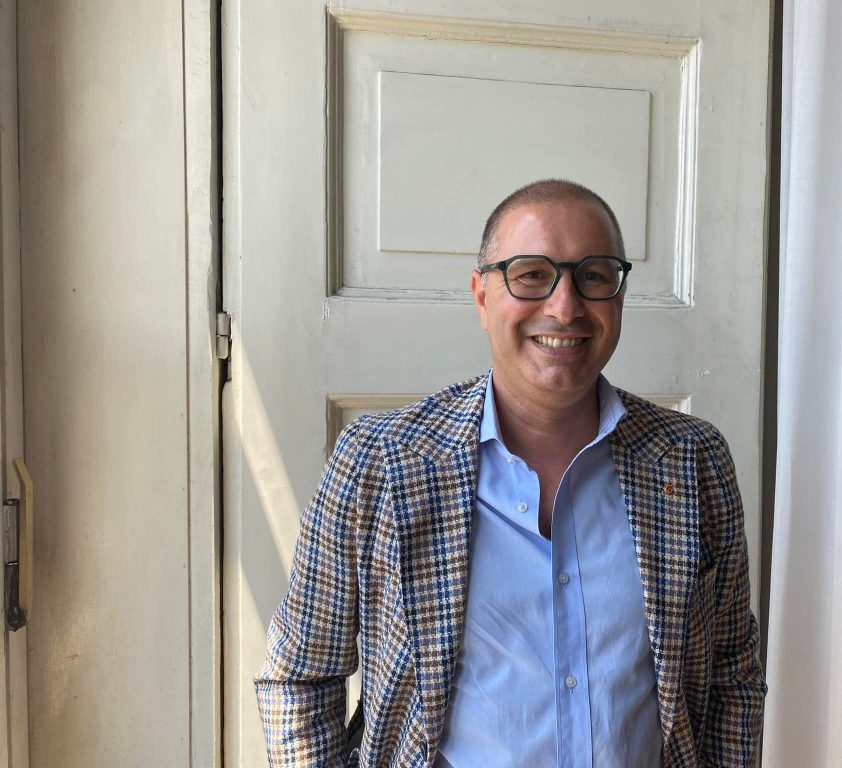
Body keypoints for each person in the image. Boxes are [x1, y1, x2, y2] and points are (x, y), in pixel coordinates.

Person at [255, 180, 767, 767]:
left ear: (619, 297)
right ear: (481, 296)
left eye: (594, 276)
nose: (565, 307)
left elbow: (731, 678)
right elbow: (299, 676)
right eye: (531, 274)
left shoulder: (692, 459)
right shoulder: (381, 461)